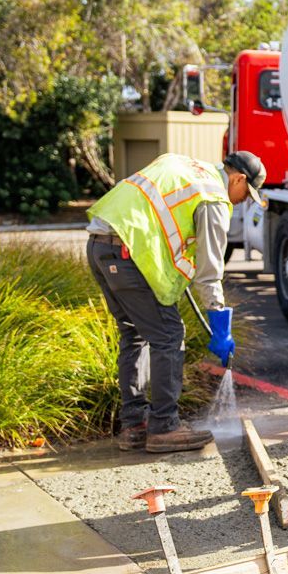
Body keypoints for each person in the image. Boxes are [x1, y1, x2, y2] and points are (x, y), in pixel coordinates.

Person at [86, 151, 266, 453]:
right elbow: (210, 273)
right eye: (245, 195)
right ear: (239, 178)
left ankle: (134, 425)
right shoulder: (213, 199)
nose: (241, 202)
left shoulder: (187, 166)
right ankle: (164, 427)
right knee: (169, 335)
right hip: (128, 254)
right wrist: (220, 326)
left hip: (99, 247)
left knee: (135, 335)